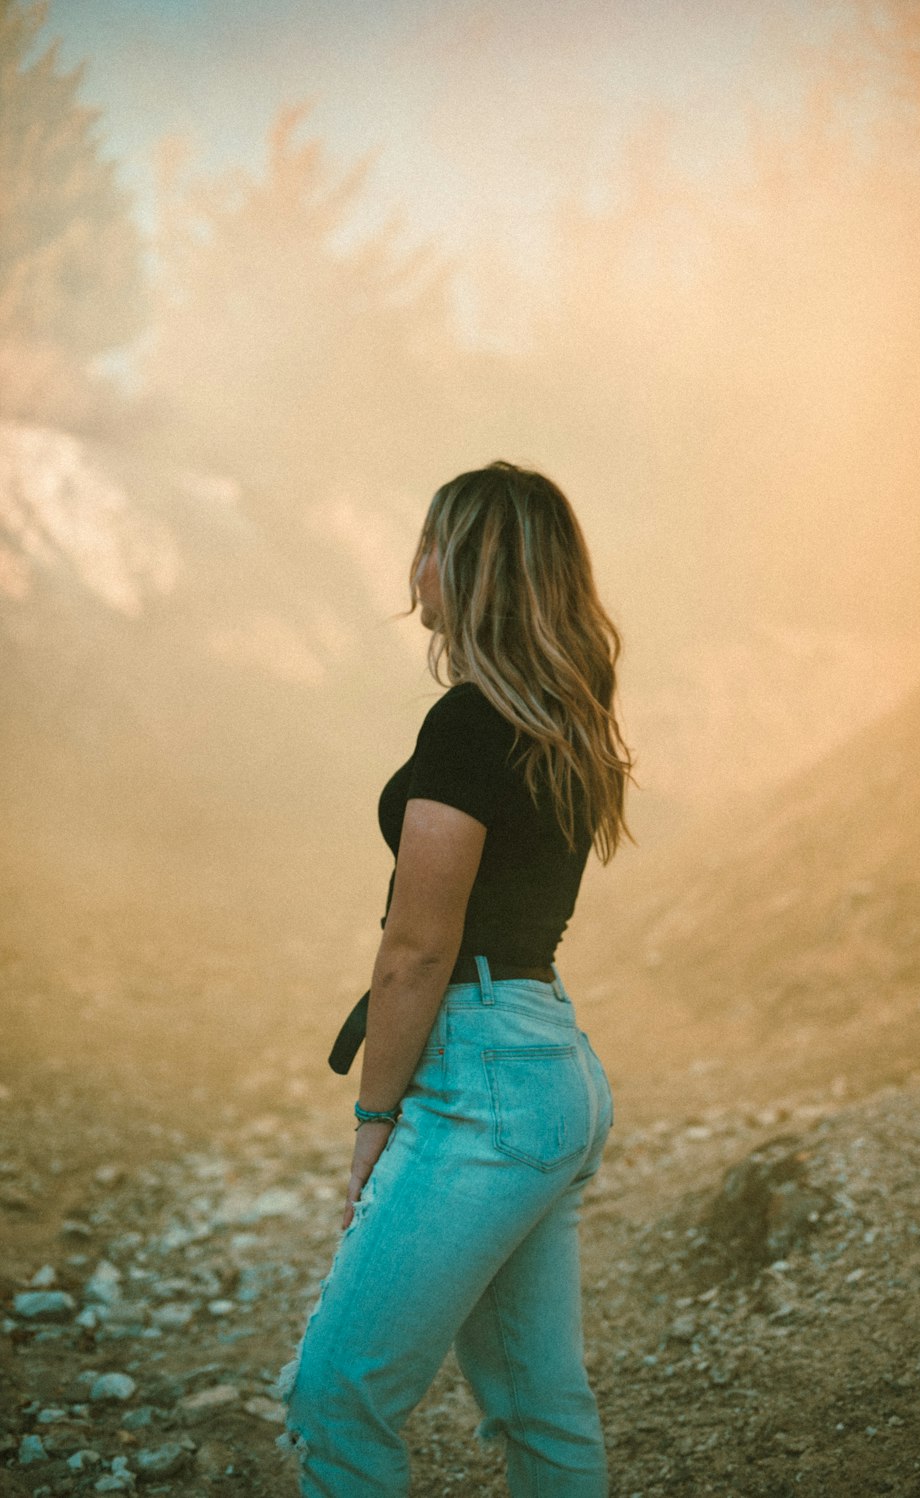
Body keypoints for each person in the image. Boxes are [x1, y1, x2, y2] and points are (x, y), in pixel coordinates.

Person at [278, 461, 635, 1497]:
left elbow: (415, 950)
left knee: (335, 1396)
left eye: (429, 543)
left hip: (481, 1081)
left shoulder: (469, 725)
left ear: (469, 565)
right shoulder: (560, 720)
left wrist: (373, 1116)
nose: (413, 564)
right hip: (549, 1064)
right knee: (540, 1407)